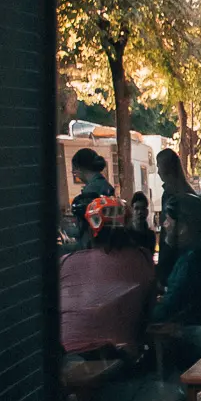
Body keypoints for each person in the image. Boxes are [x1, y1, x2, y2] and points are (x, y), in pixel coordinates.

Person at [59, 196, 156, 359]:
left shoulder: (65, 261)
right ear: (126, 225)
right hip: (117, 360)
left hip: (66, 357)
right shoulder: (142, 258)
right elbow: (149, 312)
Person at [151, 193, 201, 358]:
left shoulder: (191, 260)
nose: (165, 225)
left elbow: (168, 306)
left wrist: (141, 318)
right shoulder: (198, 253)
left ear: (182, 227)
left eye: (168, 220)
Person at [156, 148, 196, 286]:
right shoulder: (184, 191)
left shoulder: (173, 195)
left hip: (177, 258)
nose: (158, 172)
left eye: (158, 166)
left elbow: (169, 236)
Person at [67, 148, 114, 248]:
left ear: (79, 168)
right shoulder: (105, 185)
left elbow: (84, 228)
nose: (73, 172)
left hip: (92, 246)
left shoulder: (91, 191)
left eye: (74, 169)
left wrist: (65, 227)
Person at [128, 191, 157, 255]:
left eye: (143, 208)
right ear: (132, 210)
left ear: (147, 212)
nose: (140, 212)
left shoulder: (151, 236)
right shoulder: (125, 234)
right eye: (136, 208)